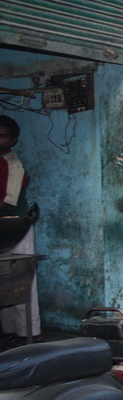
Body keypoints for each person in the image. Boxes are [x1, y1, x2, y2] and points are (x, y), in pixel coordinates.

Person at [0, 115, 40, 342]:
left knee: (23, 281)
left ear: (13, 140)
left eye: (2, 136)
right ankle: (10, 330)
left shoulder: (12, 164)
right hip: (2, 228)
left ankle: (30, 332)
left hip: (16, 226)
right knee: (4, 279)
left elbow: (9, 200)